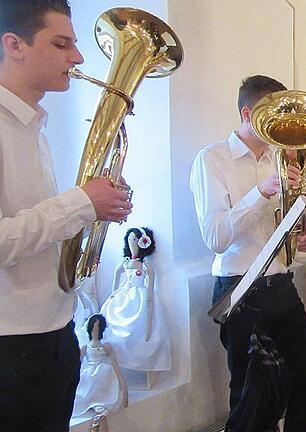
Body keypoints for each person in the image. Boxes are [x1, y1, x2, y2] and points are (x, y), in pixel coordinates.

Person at [0, 1, 132, 430]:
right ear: (14, 45)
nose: (77, 58)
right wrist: (80, 203)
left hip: (54, 328)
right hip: (11, 343)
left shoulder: (32, 126)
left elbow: (37, 223)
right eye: (61, 44)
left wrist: (96, 206)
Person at [189, 75, 306, 431]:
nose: (283, 126)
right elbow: (215, 237)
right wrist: (260, 194)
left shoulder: (282, 159)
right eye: (273, 116)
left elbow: (293, 225)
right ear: (248, 114)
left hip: (281, 285)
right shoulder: (213, 159)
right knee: (254, 400)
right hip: (238, 289)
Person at [100, 227, 170, 371]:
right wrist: (112, 300)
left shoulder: (146, 267)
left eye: (136, 240)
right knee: (115, 322)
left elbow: (150, 290)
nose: (132, 243)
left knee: (139, 328)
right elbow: (114, 287)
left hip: (141, 298)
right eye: (130, 239)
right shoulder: (124, 264)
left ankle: (141, 359)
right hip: (123, 297)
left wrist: (150, 307)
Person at [72, 314, 128, 426]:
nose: (95, 330)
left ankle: (99, 408)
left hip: (101, 374)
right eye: (93, 327)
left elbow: (115, 366)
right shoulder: (85, 347)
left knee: (103, 386)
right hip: (88, 374)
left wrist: (124, 387)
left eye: (98, 327)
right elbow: (76, 365)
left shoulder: (106, 346)